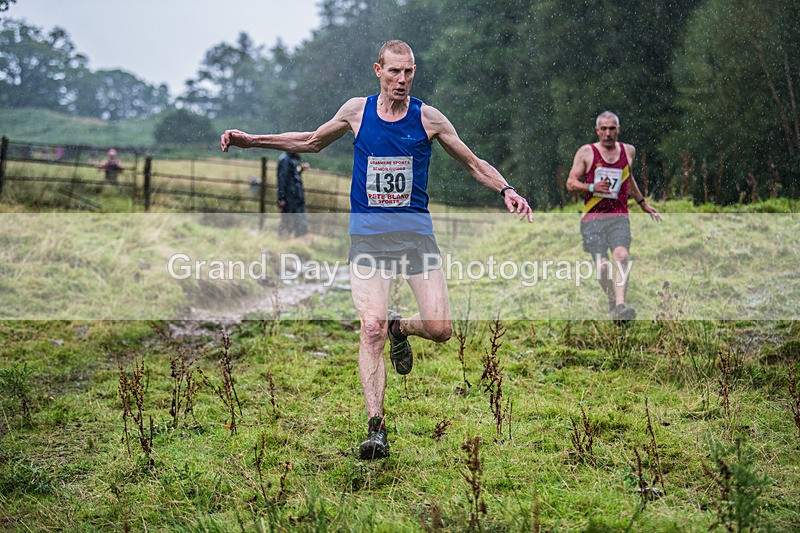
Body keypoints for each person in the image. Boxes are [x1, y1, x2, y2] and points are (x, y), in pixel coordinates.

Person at [221, 39, 532, 460]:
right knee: (371, 328)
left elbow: (474, 163)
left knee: (440, 328)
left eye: (409, 72)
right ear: (378, 70)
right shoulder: (357, 112)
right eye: (394, 71)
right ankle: (376, 428)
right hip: (368, 237)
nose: (402, 79)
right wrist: (251, 141)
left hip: (415, 236)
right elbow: (311, 141)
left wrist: (507, 190)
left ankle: (400, 328)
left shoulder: (429, 118)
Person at [566, 111, 661, 322]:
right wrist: (592, 187)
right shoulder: (587, 152)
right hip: (592, 219)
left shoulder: (628, 151)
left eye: (612, 129)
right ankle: (612, 300)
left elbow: (629, 178)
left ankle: (620, 307)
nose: (608, 133)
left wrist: (642, 203)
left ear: (618, 129)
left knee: (622, 255)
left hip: (618, 216)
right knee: (602, 268)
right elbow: (571, 183)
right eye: (604, 129)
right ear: (597, 131)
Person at [277, 152, 309, 237]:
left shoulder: (293, 159)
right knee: (287, 220)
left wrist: (301, 169)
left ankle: (299, 239)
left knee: (299, 220)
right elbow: (282, 179)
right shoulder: (285, 159)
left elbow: (294, 174)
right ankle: (284, 239)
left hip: (297, 196)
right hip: (289, 197)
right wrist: (282, 197)